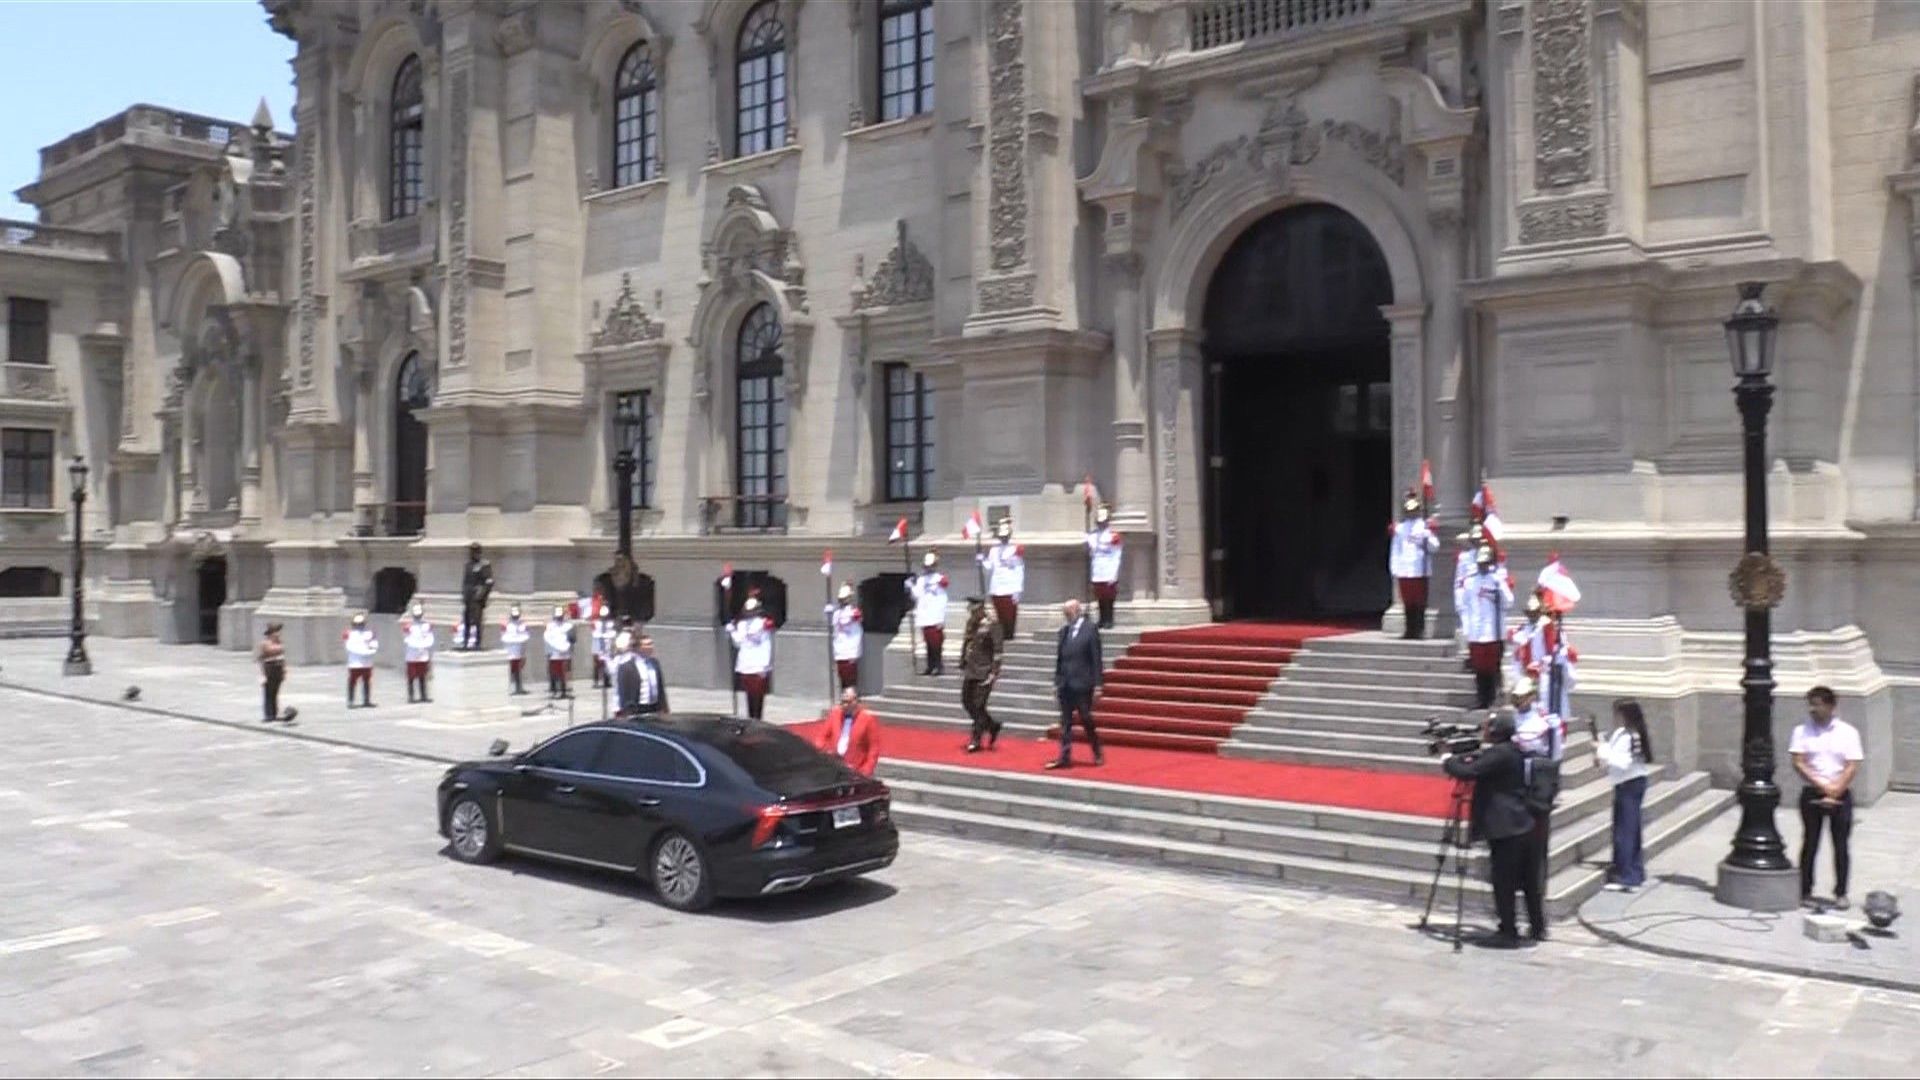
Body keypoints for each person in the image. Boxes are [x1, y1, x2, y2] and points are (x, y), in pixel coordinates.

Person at [1441, 708, 1545, 946]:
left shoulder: (1500, 753)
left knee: (1504, 881)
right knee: (1529, 881)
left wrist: (1448, 759)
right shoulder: (1509, 751)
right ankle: (1537, 926)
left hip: (1507, 828)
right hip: (1522, 825)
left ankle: (1508, 930)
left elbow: (1469, 772)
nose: (1484, 730)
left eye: (1488, 726)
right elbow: (1480, 764)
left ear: (1497, 730)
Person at [1790, 685, 1864, 909]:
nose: (1813, 709)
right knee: (1810, 842)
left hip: (1840, 792)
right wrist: (1821, 785)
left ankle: (1840, 892)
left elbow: (1852, 764)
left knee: (1840, 844)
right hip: (1813, 792)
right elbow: (1799, 762)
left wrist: (1836, 789)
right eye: (1811, 705)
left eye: (1818, 705)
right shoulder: (1801, 731)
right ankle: (1805, 889)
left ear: (1831, 706)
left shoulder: (1848, 732)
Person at [1591, 698, 1654, 892]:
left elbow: (1624, 763)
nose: (1615, 718)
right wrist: (1601, 750)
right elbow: (1610, 755)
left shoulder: (1632, 736)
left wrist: (1601, 751)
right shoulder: (1620, 733)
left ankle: (1626, 875)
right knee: (1626, 828)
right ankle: (1631, 870)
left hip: (1631, 784)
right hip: (1621, 783)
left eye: (1618, 713)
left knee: (1625, 832)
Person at [1048, 598, 1104, 770]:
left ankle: (1096, 749)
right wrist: (1056, 681)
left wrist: (1098, 684)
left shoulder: (1090, 630)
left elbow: (1096, 659)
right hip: (1065, 684)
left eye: (1068, 612)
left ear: (1077, 611)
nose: (1066, 616)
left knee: (1086, 718)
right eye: (1064, 613)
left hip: (1082, 684)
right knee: (1065, 722)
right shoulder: (1063, 632)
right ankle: (1064, 757)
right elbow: (1060, 659)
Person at [1460, 546, 1514, 708]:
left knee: (1492, 668)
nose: (1482, 566)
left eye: (1485, 563)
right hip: (1476, 633)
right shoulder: (1470, 582)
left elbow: (1509, 602)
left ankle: (1493, 698)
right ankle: (1481, 698)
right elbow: (1466, 606)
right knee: (1479, 668)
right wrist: (1467, 630)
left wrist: (1500, 586)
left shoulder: (1496, 580)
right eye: (1480, 563)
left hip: (1492, 632)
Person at [1387, 489, 1439, 640]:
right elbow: (1396, 549)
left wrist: (1427, 537)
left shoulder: (1424, 527)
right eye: (1409, 511)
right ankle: (1409, 630)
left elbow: (1434, 547)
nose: (1411, 513)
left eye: (1414, 510)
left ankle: (1420, 630)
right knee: (1408, 602)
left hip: (1420, 569)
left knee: (1420, 602)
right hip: (1405, 570)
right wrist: (1394, 568)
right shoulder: (1400, 529)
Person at [959, 597, 1003, 752]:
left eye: (973, 610)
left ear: (981, 609)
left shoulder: (992, 624)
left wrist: (994, 672)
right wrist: (962, 662)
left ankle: (976, 739)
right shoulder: (971, 623)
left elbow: (998, 651)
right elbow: (967, 643)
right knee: (966, 701)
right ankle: (992, 726)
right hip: (971, 670)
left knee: (978, 706)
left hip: (985, 672)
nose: (971, 613)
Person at [815, 687, 881, 776]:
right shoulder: (835, 714)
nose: (845, 705)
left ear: (857, 702)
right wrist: (825, 751)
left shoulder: (867, 720)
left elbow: (874, 749)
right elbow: (821, 737)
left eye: (848, 702)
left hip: (856, 770)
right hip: (835, 767)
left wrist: (866, 770)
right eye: (843, 702)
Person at [729, 596, 775, 720]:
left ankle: (758, 719)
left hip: (759, 663)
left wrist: (765, 665)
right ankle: (751, 719)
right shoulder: (742, 624)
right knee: (749, 696)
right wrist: (732, 631)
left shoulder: (763, 623)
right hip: (746, 663)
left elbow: (762, 641)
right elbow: (738, 642)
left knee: (758, 697)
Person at [907, 551, 951, 676]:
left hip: (936, 615)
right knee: (928, 643)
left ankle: (938, 665)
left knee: (936, 642)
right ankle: (930, 665)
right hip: (924, 614)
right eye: (927, 566)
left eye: (930, 566)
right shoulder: (921, 580)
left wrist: (941, 618)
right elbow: (916, 595)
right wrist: (910, 586)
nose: (928, 568)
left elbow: (943, 594)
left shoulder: (939, 579)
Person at [981, 518, 1025, 639]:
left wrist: (1017, 591)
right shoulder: (994, 550)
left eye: (1005, 536)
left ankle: (1009, 638)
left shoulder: (1015, 550)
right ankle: (1001, 640)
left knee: (1009, 617)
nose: (1003, 538)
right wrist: (981, 560)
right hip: (996, 587)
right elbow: (990, 567)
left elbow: (1019, 570)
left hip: (1010, 588)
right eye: (1001, 536)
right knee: (1000, 617)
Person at [1086, 503, 1124, 630]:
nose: (1100, 524)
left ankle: (1109, 619)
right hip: (1097, 568)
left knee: (1109, 596)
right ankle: (1102, 619)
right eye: (1099, 521)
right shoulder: (1092, 536)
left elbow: (1116, 555)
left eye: (1103, 521)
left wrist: (1114, 573)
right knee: (1099, 595)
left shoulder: (1113, 536)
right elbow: (1091, 550)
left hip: (1109, 567)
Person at [619, 632, 670, 719]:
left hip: (654, 708)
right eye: (647, 644)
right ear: (638, 647)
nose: (651, 647)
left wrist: (664, 708)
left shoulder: (654, 663)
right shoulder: (627, 667)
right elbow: (624, 692)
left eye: (651, 644)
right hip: (637, 709)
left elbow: (660, 688)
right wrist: (627, 713)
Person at [827, 583, 863, 692]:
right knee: (842, 676)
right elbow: (834, 627)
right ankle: (844, 698)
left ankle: (852, 698)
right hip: (839, 649)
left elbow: (857, 617)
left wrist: (852, 614)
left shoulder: (853, 612)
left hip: (850, 649)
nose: (842, 601)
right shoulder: (837, 613)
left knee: (850, 678)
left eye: (845, 599)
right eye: (841, 599)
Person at [459, 543, 493, 651]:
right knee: (467, 620)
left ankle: (478, 642)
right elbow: (465, 581)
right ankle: (466, 641)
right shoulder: (468, 565)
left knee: (477, 620)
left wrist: (482, 594)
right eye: (472, 552)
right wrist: (464, 594)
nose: (473, 554)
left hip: (477, 597)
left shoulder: (484, 565)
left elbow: (489, 582)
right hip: (468, 596)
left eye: (475, 551)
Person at [401, 602, 435, 704]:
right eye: (416, 615)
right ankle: (411, 696)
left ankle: (423, 695)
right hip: (412, 655)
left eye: (419, 615)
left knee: (422, 676)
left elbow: (430, 638)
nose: (418, 617)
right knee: (411, 677)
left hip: (423, 655)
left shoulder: (426, 626)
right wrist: (418, 645)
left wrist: (425, 645)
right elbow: (406, 639)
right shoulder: (408, 627)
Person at [343, 612, 378, 708]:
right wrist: (365, 651)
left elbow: (374, 646)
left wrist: (369, 651)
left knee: (367, 681)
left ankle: (366, 700)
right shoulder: (349, 634)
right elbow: (349, 647)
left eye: (361, 623)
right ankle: (350, 701)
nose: (359, 626)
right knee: (352, 682)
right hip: (354, 663)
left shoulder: (370, 633)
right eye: (357, 624)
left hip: (367, 663)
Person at [256, 622, 288, 723]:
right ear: (270, 633)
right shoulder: (265, 644)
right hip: (269, 668)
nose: (278, 634)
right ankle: (268, 715)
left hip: (278, 668)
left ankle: (274, 713)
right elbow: (261, 659)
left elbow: (283, 658)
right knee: (268, 693)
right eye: (276, 632)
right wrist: (262, 674)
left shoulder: (279, 642)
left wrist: (284, 670)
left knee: (275, 693)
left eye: (278, 632)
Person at [543, 605, 574, 699]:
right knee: (555, 673)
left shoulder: (568, 626)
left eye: (560, 616)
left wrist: (569, 649)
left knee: (564, 673)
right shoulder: (550, 626)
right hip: (554, 654)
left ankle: (564, 691)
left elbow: (572, 639)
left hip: (565, 654)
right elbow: (547, 640)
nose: (559, 618)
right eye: (557, 617)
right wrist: (548, 652)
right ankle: (555, 690)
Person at [500, 605, 530, 695]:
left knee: (518, 670)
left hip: (519, 650)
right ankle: (507, 689)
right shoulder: (506, 625)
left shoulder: (522, 624)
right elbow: (504, 637)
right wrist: (516, 638)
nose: (515, 617)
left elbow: (526, 635)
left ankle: (519, 687)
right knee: (510, 671)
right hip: (510, 651)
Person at [591, 604, 617, 689]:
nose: (604, 618)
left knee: (607, 664)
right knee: (597, 665)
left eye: (605, 616)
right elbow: (594, 635)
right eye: (602, 616)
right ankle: (596, 681)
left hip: (607, 646)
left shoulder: (611, 624)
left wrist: (612, 647)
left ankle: (606, 681)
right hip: (598, 645)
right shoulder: (596, 623)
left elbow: (613, 634)